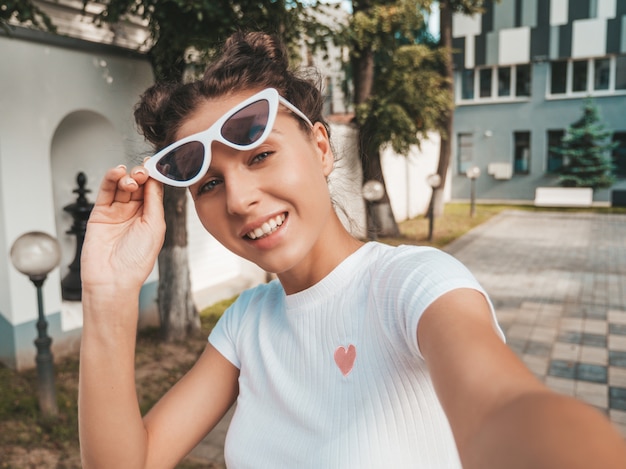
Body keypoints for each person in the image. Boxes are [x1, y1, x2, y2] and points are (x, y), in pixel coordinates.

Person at [78, 31, 626, 469]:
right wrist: (108, 292)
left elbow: (504, 413)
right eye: (210, 185)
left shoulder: (416, 285)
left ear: (320, 148)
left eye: (260, 156)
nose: (241, 199)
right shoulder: (247, 325)